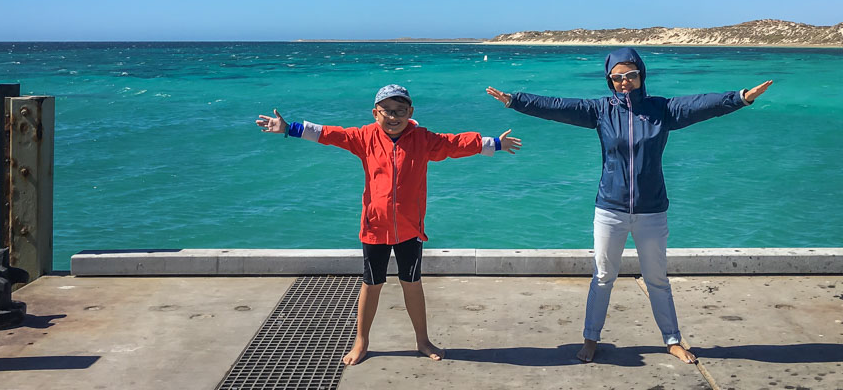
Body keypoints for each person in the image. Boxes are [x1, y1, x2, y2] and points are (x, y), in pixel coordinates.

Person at [487, 48, 771, 365]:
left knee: (657, 280)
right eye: (617, 77)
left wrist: (741, 97)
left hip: (652, 211)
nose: (624, 82)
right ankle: (591, 338)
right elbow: (558, 107)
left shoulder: (662, 110)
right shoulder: (600, 111)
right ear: (609, 80)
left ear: (641, 75)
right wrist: (516, 100)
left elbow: (702, 105)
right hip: (610, 209)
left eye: (630, 76)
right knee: (603, 277)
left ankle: (672, 340)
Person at [257, 83, 521, 365]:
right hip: (374, 227)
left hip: (410, 229)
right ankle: (361, 341)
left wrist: (493, 143)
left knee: (412, 283)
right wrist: (289, 128)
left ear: (411, 112)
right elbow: (329, 134)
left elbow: (454, 143)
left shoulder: (422, 139)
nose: (394, 117)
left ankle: (422, 340)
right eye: (387, 111)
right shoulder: (363, 137)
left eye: (400, 111)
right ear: (375, 112)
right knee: (372, 284)